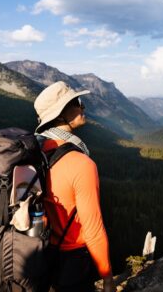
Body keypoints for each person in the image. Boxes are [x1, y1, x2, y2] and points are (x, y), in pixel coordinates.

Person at [34, 81, 115, 292]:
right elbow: (93, 228)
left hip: (39, 256)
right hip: (72, 260)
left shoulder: (36, 151)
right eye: (78, 102)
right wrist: (107, 278)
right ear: (61, 113)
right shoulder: (81, 163)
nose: (83, 107)